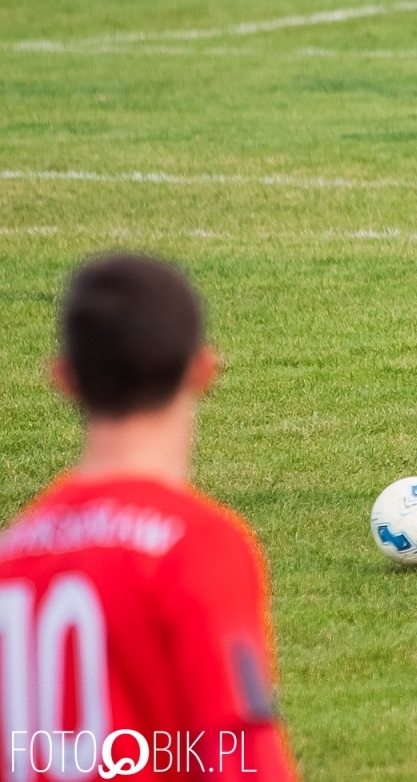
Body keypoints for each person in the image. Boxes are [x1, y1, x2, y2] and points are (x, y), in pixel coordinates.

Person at [0, 254, 299, 780]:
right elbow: (240, 756)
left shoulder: (12, 556)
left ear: (65, 379)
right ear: (202, 369)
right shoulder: (197, 545)